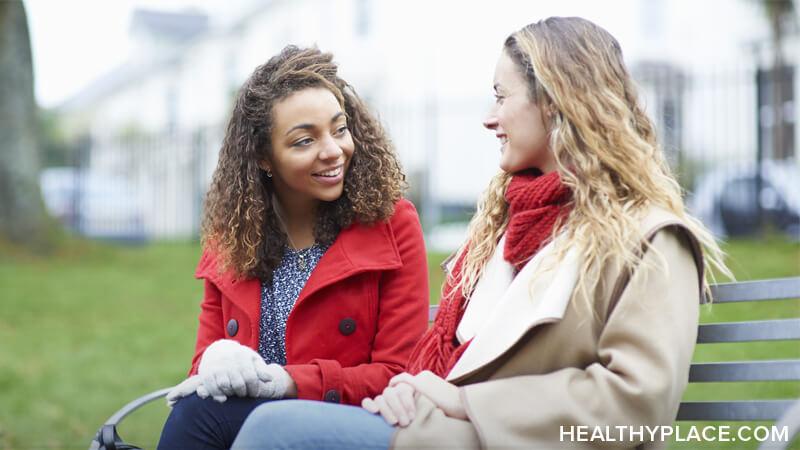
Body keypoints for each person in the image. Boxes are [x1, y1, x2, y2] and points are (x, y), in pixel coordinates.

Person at [231, 16, 732, 450]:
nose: (490, 118)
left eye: (501, 96)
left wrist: (465, 400)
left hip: (479, 438)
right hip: (435, 429)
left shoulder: (652, 239)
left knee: (275, 429)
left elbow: (634, 404)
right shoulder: (506, 232)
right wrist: (418, 387)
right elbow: (447, 359)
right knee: (224, 416)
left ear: (556, 102)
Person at [156, 45, 430, 449]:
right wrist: (216, 359)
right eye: (305, 141)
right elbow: (205, 363)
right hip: (247, 424)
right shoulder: (233, 235)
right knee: (198, 409)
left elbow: (397, 371)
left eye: (340, 129)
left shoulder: (392, 225)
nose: (334, 150)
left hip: (346, 419)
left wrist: (289, 382)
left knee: (204, 416)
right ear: (265, 158)